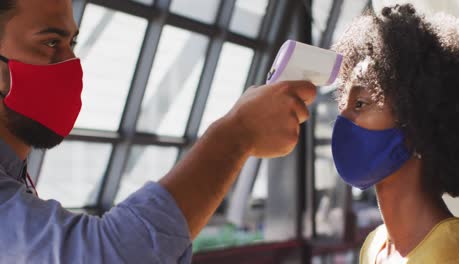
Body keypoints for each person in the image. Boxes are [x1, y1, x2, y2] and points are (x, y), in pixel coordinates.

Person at [0, 0, 316, 263]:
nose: (71, 63)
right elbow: (103, 255)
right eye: (51, 43)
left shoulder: (16, 178)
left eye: (72, 43)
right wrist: (237, 134)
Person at [331, 4, 459, 263]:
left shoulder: (454, 251)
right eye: (343, 106)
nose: (343, 120)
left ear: (418, 116)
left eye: (360, 104)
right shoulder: (373, 247)